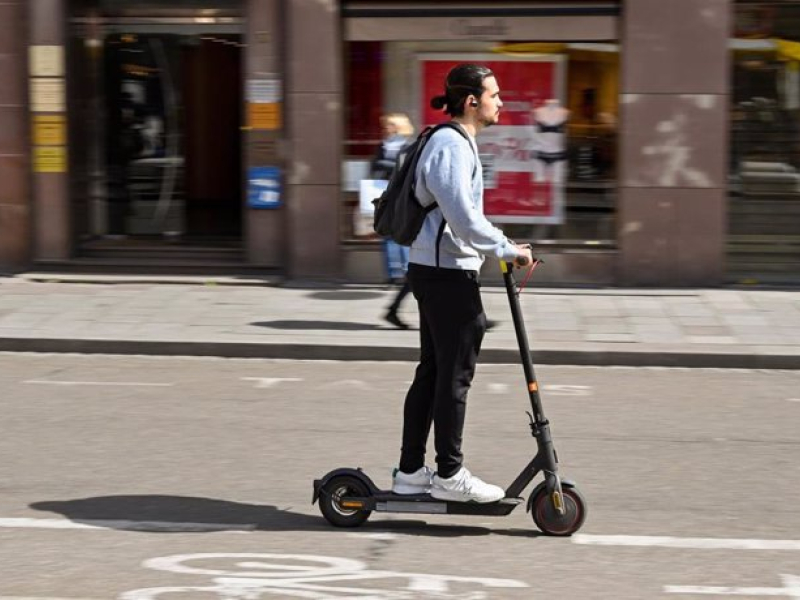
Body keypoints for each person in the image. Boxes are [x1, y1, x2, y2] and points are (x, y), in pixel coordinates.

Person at [391, 64, 533, 503]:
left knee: (434, 372)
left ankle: (412, 472)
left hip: (438, 269)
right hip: (445, 273)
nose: (501, 102)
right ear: (471, 101)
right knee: (454, 374)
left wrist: (502, 244)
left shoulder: (453, 142)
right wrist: (508, 249)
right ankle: (449, 475)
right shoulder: (451, 145)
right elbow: (464, 219)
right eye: (494, 95)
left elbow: (462, 220)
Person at [371, 113, 415, 329]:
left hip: (401, 203)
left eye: (390, 126)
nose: (386, 129)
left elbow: (403, 171)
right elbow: (377, 167)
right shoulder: (386, 146)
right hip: (391, 203)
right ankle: (396, 276)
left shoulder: (407, 146)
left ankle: (394, 308)